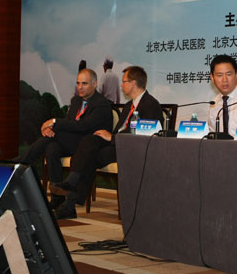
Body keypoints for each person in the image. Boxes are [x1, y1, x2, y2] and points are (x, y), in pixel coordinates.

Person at [50, 66, 163, 219]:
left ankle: (70, 192)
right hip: (116, 144)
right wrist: (111, 138)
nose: (121, 85)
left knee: (88, 155)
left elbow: (146, 134)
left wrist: (113, 138)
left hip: (130, 148)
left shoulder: (150, 104)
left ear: (133, 83)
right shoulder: (129, 106)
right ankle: (70, 199)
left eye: (124, 81)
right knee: (88, 144)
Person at [18, 68, 113, 208]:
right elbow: (68, 123)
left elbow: (84, 126)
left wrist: (54, 122)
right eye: (78, 83)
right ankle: (57, 197)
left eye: (84, 83)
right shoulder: (76, 100)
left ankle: (22, 162)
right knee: (52, 148)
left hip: (88, 146)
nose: (80, 87)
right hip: (72, 142)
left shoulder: (102, 103)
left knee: (55, 136)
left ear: (94, 84)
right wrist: (50, 129)